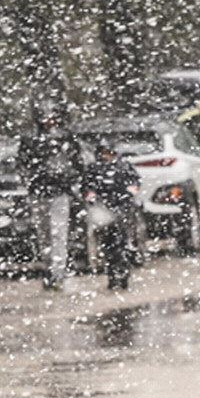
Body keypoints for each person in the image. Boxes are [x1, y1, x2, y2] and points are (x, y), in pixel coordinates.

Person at [19, 104, 83, 289]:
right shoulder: (31, 140)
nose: (48, 121)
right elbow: (23, 165)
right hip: (39, 193)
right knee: (44, 235)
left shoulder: (65, 138)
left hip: (58, 193)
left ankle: (57, 273)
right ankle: (49, 271)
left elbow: (76, 164)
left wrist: (68, 181)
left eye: (51, 117)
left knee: (58, 233)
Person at [81, 141, 141, 290]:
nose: (106, 156)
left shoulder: (123, 167)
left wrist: (127, 195)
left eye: (108, 152)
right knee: (109, 245)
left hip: (122, 209)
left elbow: (135, 183)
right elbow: (86, 187)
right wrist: (92, 197)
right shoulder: (94, 169)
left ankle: (123, 272)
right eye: (103, 153)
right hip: (103, 212)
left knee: (122, 243)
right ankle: (113, 275)